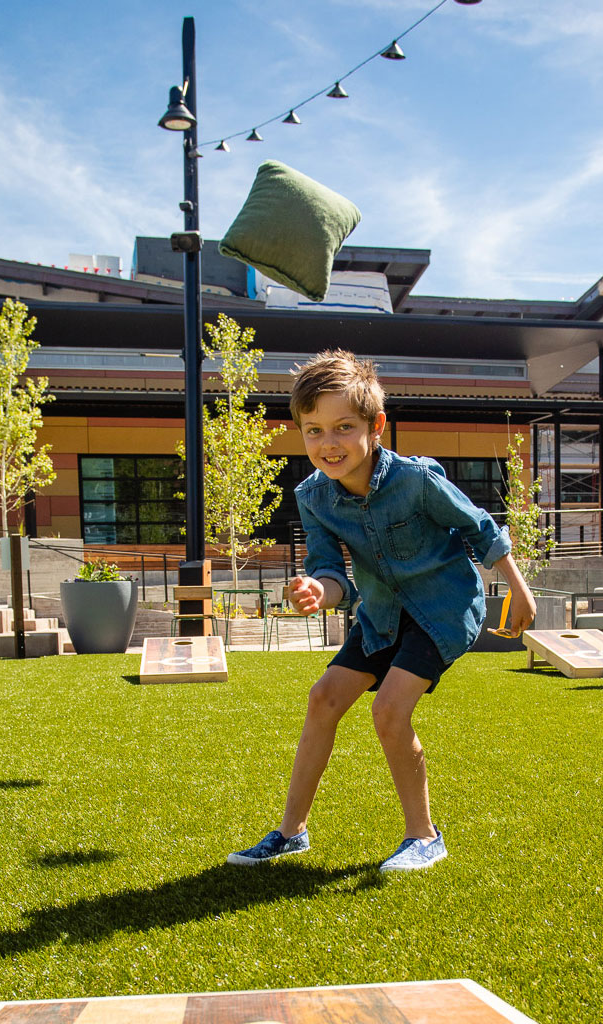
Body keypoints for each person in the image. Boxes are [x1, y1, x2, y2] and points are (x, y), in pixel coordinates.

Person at [227, 350, 537, 873]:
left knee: (389, 710)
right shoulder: (313, 497)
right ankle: (291, 832)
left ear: (376, 426)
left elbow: (479, 525)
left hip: (443, 607)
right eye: (314, 431)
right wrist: (316, 591)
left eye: (344, 428)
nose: (329, 444)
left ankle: (425, 837)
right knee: (323, 698)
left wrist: (519, 589)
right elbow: (331, 573)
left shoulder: (416, 479)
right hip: (382, 612)